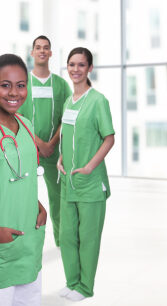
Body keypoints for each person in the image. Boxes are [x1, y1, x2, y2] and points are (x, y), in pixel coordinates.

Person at [57, 47, 115, 301]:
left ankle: (85, 287)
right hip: (68, 182)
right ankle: (72, 281)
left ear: (90, 68)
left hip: (90, 182)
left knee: (88, 238)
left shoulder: (98, 101)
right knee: (67, 236)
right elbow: (69, 137)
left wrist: (91, 166)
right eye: (71, 64)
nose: (75, 69)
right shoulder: (68, 101)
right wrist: (60, 157)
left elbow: (109, 138)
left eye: (81, 65)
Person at [0, 53, 47, 306]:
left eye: (20, 85)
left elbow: (22, 177)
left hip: (29, 239)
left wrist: (37, 205)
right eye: (5, 85)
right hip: (3, 245)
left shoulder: (26, 125)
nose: (13, 93)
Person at [18, 35, 72, 247]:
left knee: (58, 197)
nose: (42, 51)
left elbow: (67, 115)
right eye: (38, 47)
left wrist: (51, 144)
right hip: (29, 149)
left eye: (46, 48)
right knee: (25, 196)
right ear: (32, 53)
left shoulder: (60, 85)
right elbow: (18, 117)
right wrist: (39, 143)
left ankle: (61, 241)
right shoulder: (23, 84)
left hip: (54, 152)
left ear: (50, 53)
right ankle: (25, 239)